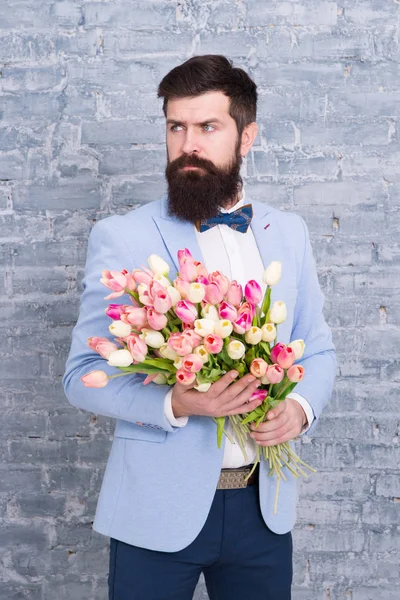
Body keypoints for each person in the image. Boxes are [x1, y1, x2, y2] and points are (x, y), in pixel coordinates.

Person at [63, 55, 337, 600]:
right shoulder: (122, 236)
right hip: (155, 512)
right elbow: (82, 374)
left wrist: (298, 409)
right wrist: (179, 404)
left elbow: (319, 349)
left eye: (207, 127)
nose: (188, 143)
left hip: (264, 512)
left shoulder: (287, 232)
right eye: (176, 127)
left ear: (247, 135)